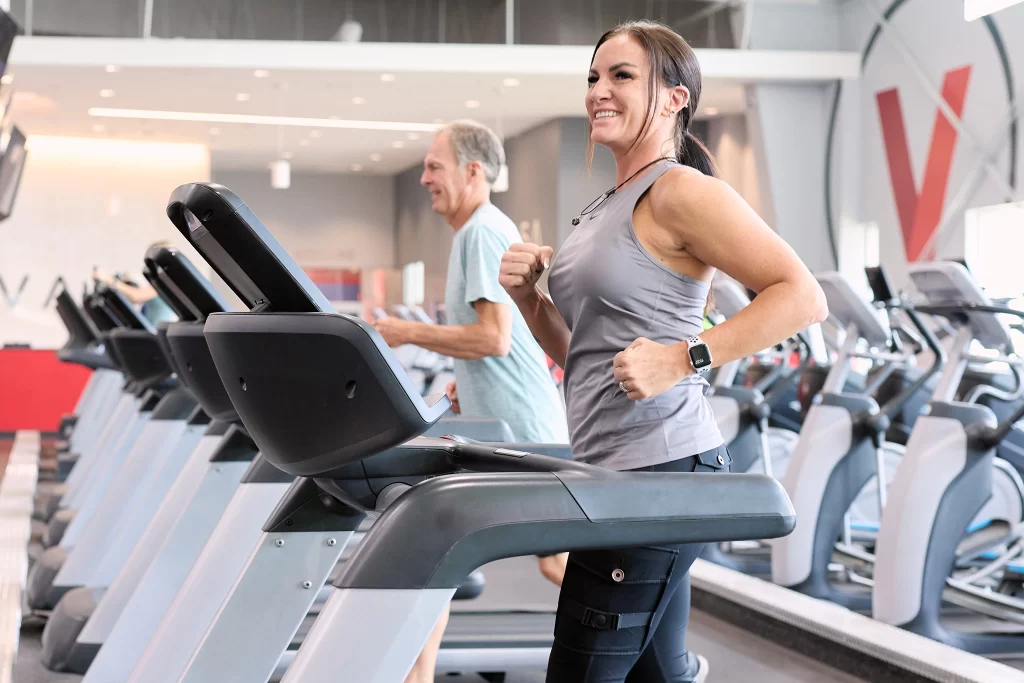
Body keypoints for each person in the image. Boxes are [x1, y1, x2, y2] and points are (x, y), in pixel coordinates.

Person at [498, 20, 828, 683]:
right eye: (594, 76)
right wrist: (533, 300)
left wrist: (685, 359)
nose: (600, 90)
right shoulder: (603, 206)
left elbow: (801, 295)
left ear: (675, 97)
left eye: (622, 76)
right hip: (612, 469)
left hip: (662, 469)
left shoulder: (680, 191)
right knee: (658, 672)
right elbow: (589, 358)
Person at [370, 119, 571, 683]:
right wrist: (465, 384)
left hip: (524, 431)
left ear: (473, 171)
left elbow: (494, 337)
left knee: (540, 559)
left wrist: (406, 333)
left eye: (435, 166)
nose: (425, 178)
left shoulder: (482, 231)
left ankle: (646, 639)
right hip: (506, 425)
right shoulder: (475, 232)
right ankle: (417, 676)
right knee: (441, 547)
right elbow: (491, 345)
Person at [92, 240, 177, 326]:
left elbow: (135, 296)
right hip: (151, 331)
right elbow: (138, 294)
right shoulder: (156, 283)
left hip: (156, 335)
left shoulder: (165, 282)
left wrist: (108, 279)